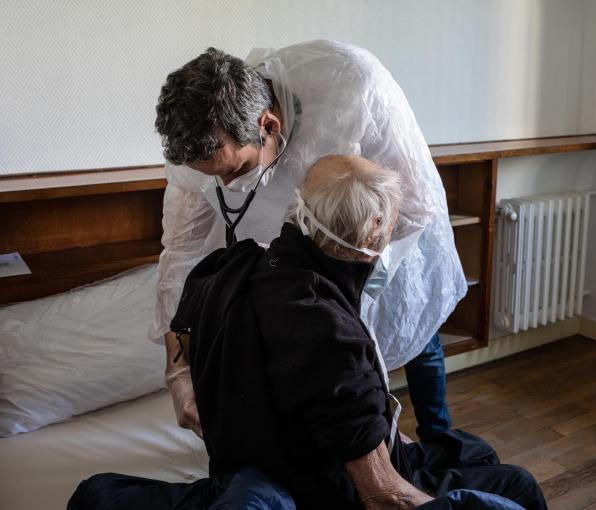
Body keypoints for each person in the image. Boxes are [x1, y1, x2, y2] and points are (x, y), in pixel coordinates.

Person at [69, 155, 546, 510]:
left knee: (470, 451)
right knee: (515, 484)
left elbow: (181, 331)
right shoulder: (334, 342)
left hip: (243, 461)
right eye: (393, 223)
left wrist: (182, 380)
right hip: (320, 487)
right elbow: (381, 494)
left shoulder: (225, 268)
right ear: (374, 230)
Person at [152, 41, 465, 442]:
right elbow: (179, 254)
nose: (225, 187)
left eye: (237, 170)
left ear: (268, 126)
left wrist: (357, 289)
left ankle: (439, 441)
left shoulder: (353, 88)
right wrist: (178, 370)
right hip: (288, 249)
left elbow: (415, 206)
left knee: (414, 324)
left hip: (378, 234)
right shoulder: (198, 139)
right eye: (211, 176)